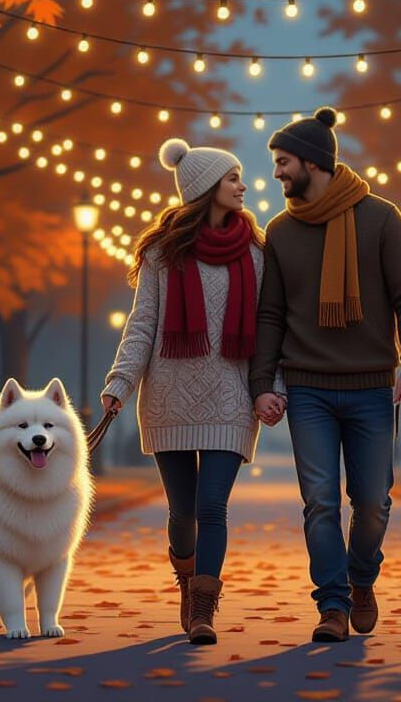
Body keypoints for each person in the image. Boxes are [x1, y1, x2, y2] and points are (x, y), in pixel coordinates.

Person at [249, 107, 401, 642]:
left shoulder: (381, 218)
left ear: (312, 162)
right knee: (321, 502)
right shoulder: (281, 231)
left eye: (284, 162)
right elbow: (270, 315)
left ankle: (361, 578)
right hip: (307, 388)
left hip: (371, 387)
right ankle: (331, 605)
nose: (277, 173)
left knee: (373, 502)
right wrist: (261, 384)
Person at [101, 138, 283, 645]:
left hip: (231, 398)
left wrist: (272, 388)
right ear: (206, 187)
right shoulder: (163, 253)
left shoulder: (257, 253)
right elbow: (143, 324)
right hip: (169, 397)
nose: (242, 187)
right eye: (232, 179)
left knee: (211, 508)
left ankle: (203, 608)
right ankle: (186, 581)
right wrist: (119, 382)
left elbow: (270, 329)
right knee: (182, 513)